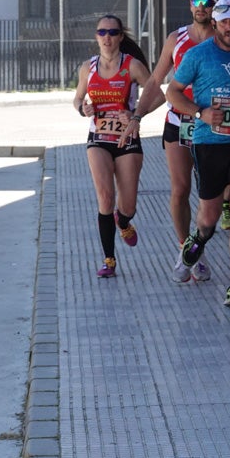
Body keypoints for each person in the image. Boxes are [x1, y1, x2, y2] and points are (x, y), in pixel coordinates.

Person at [166, 0, 230, 307]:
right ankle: (193, 246)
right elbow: (172, 92)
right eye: (224, 21)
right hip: (209, 143)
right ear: (214, 23)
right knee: (207, 219)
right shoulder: (198, 55)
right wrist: (200, 113)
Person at [131, 0, 221, 283]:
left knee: (214, 195)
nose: (202, 7)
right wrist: (138, 115)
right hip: (180, 122)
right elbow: (157, 82)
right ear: (190, 3)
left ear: (217, 7)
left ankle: (199, 244)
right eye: (197, 1)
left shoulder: (225, 38)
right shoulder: (176, 39)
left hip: (215, 124)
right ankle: (188, 251)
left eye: (209, 3)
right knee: (180, 189)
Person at [72, 15, 155, 278]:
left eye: (112, 32)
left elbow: (160, 94)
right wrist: (82, 109)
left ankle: (125, 221)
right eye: (102, 32)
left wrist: (135, 116)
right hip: (98, 139)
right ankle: (109, 260)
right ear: (96, 37)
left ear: (120, 37)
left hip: (127, 140)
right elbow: (77, 98)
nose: (107, 37)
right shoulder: (88, 67)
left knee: (127, 206)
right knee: (105, 198)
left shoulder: (132, 66)